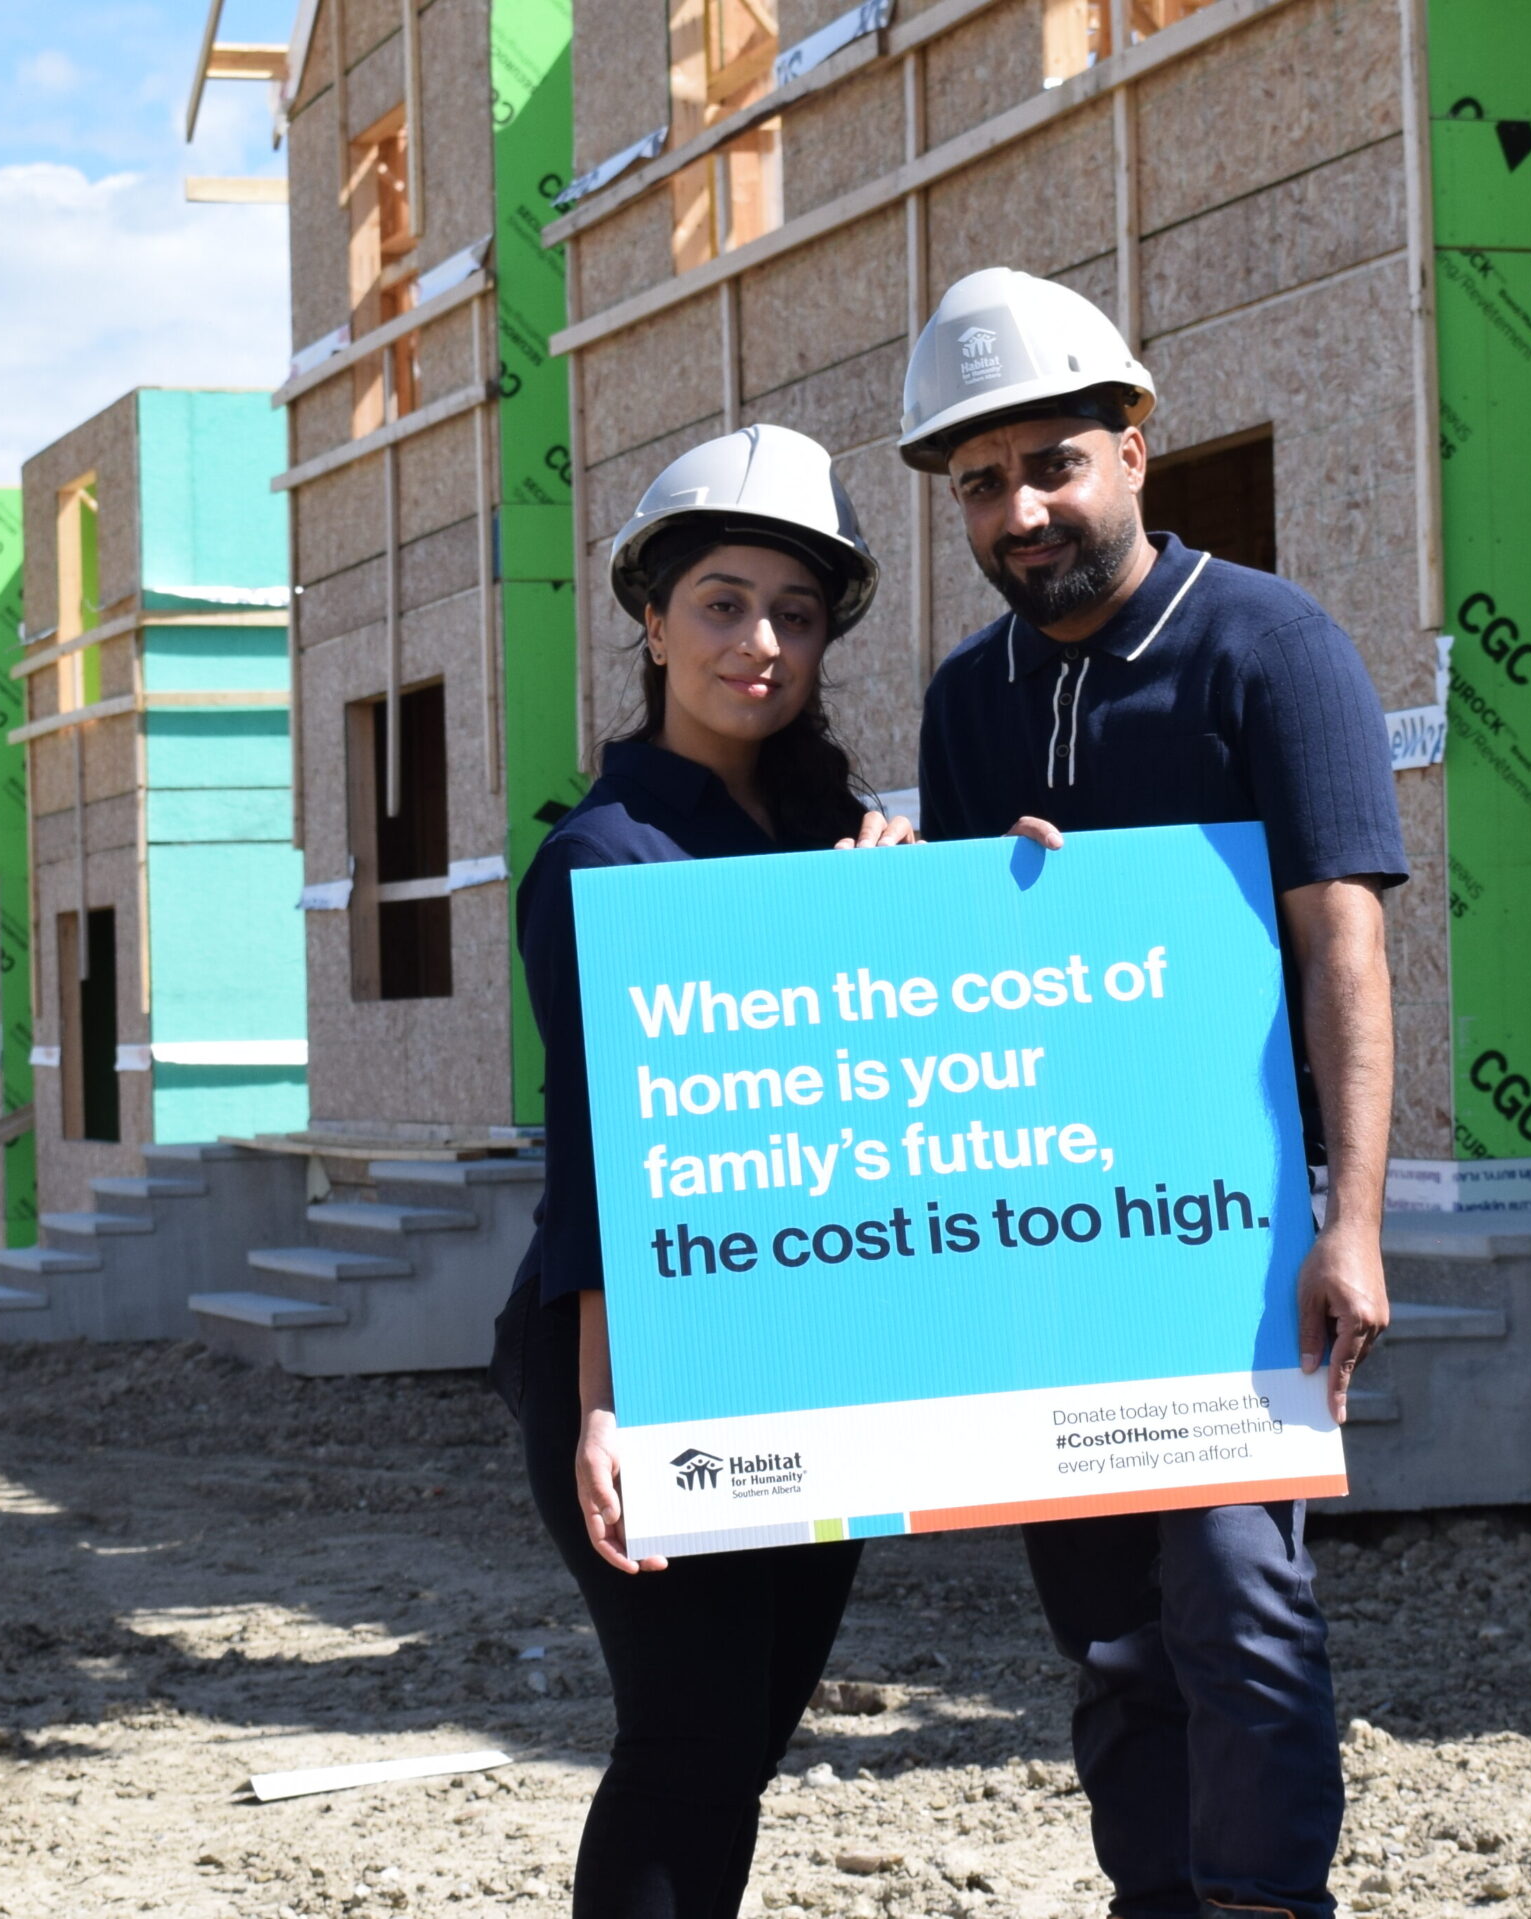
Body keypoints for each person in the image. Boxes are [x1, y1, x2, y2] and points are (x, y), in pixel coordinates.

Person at [903, 267, 1408, 1919]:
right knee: (1108, 1624)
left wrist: (1353, 1224)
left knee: (1239, 1603)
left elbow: (1343, 943)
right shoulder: (966, 700)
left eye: (1054, 462)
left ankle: (1266, 1904)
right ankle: (1156, 1898)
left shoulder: (1271, 645)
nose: (1022, 509)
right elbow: (967, 988)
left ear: (1135, 445)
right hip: (1056, 1245)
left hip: (1231, 1243)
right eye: (983, 484)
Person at [488, 423, 909, 1919]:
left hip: (809, 1337)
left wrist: (969, 901)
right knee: (685, 1734)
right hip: (643, 1352)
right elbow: (600, 1153)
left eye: (796, 613)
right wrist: (607, 1407)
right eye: (724, 603)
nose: (762, 642)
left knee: (738, 1745)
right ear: (650, 619)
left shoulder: (830, 837)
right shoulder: (605, 861)